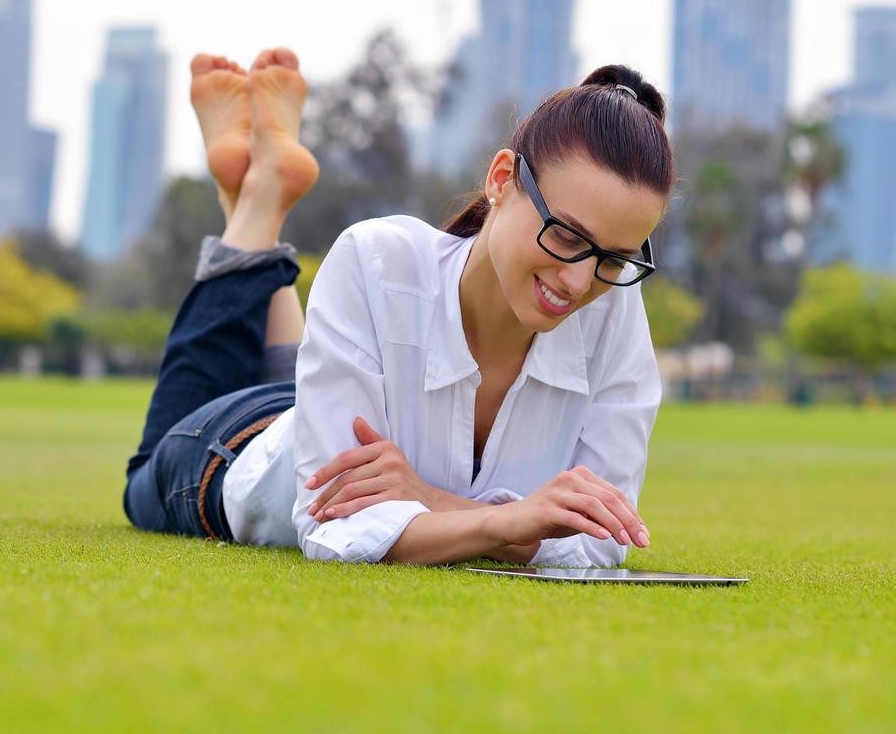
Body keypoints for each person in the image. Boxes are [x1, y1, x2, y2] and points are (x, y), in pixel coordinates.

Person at [123, 48, 674, 567]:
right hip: (238, 450)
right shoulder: (379, 260)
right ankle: (259, 197)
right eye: (566, 236)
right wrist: (509, 523)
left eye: (614, 256)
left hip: (318, 405)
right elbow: (334, 527)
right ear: (502, 179)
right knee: (143, 477)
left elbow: (602, 538)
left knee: (300, 393)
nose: (580, 281)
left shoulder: (613, 303)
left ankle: (252, 192)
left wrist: (428, 498)